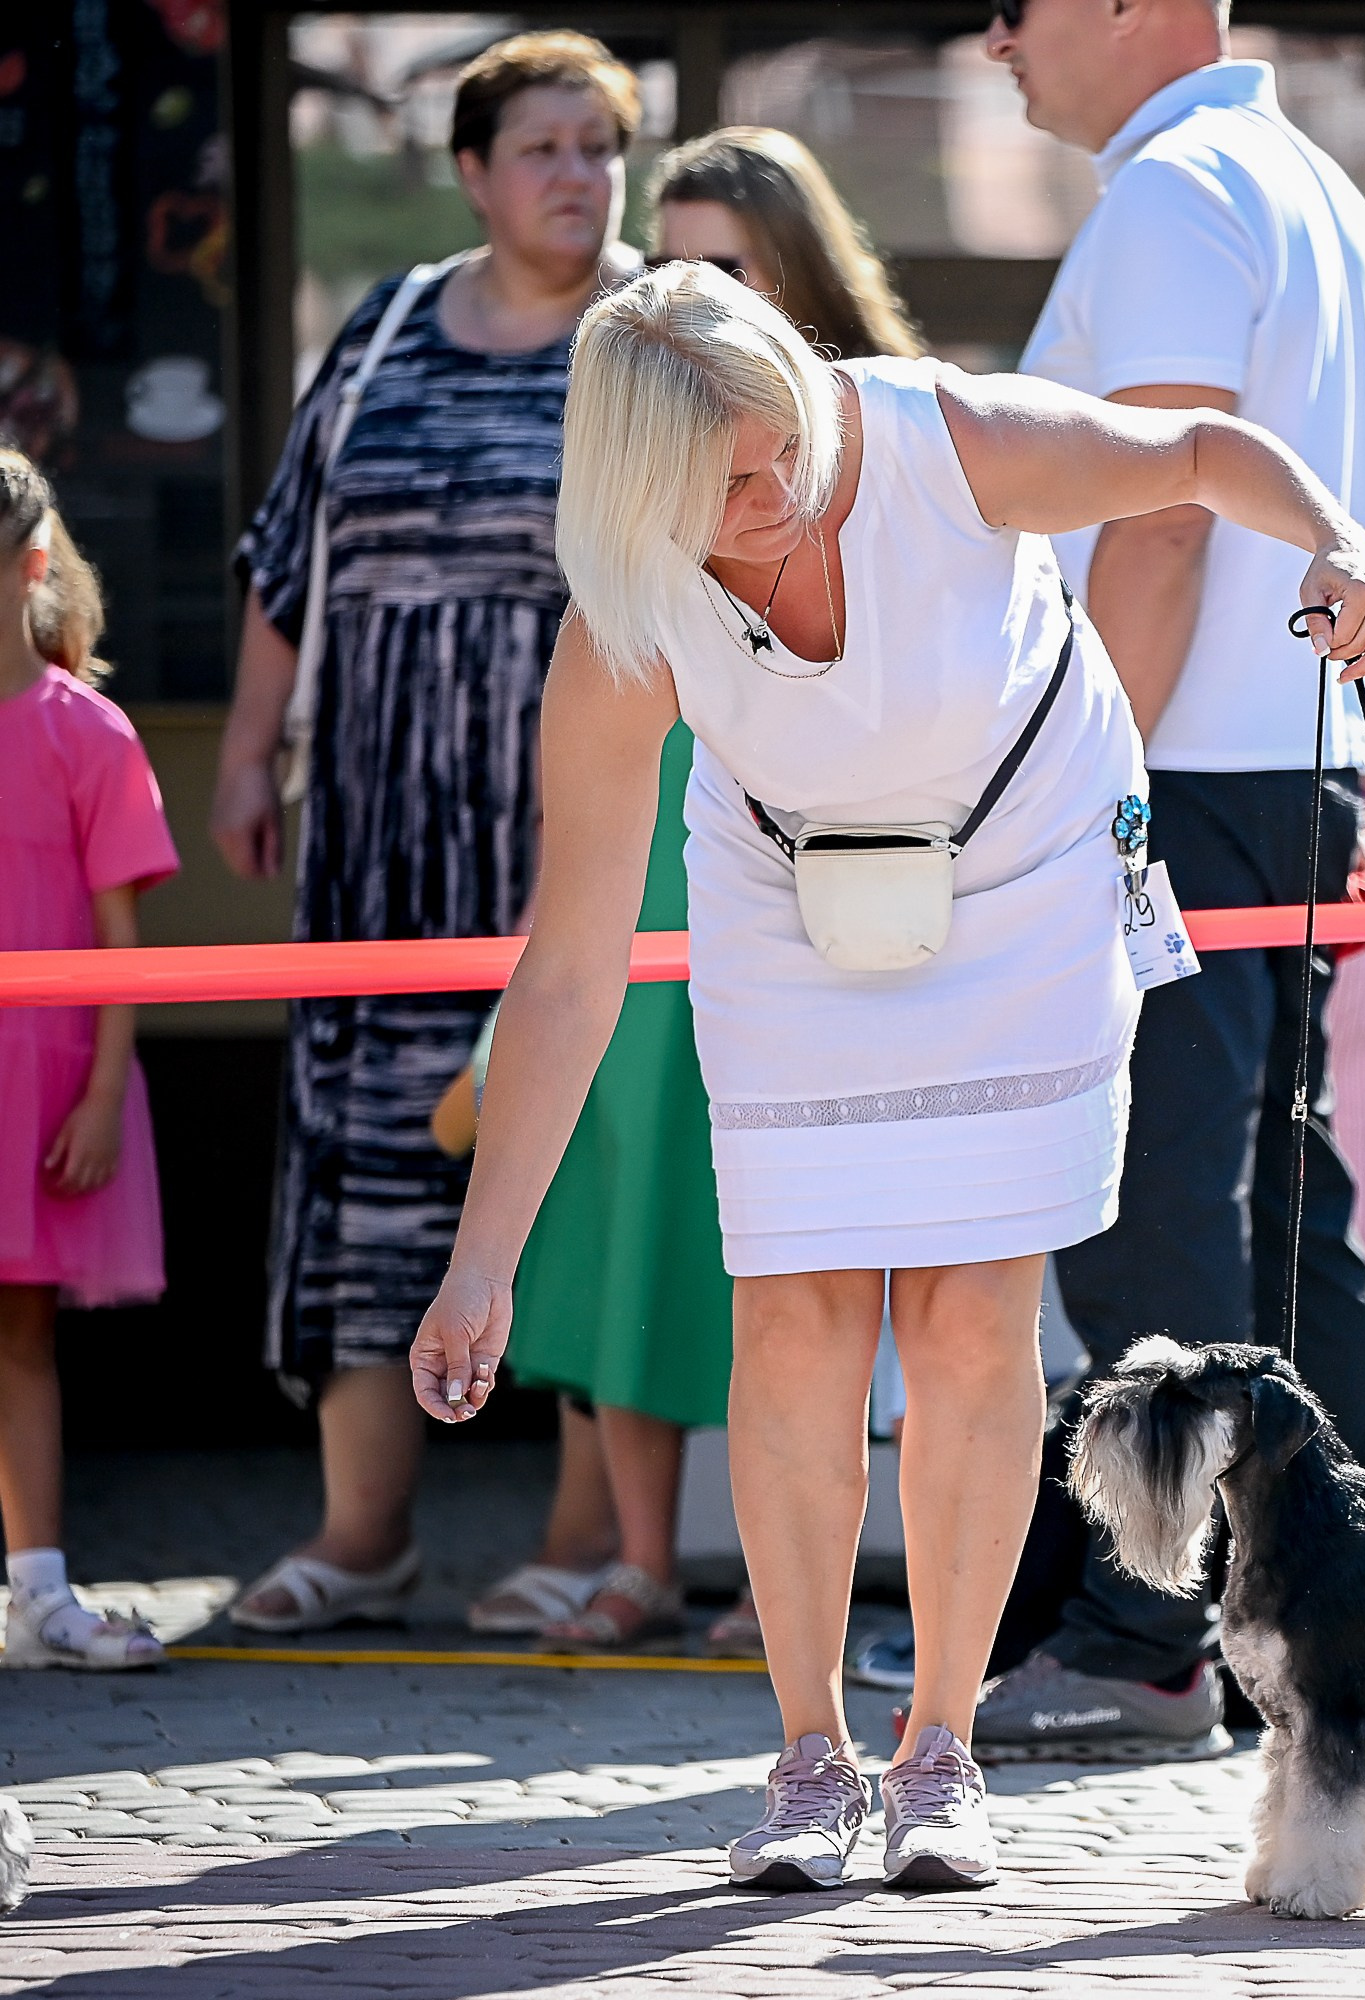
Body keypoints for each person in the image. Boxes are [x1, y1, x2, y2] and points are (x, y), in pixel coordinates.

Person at [404, 260, 1365, 1890]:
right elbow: (573, 963)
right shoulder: (624, 626)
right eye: (727, 484)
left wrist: (1343, 552)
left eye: (783, 441)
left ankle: (942, 1753)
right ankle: (811, 1759)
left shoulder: (947, 438)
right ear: (639, 494)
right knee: (792, 1306)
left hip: (1026, 865)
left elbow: (1205, 454)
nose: (779, 488)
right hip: (786, 895)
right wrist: (481, 1266)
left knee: (967, 1308)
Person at [974, 0, 1365, 1764]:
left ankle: (1152, 1635)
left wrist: (1092, 782)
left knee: (1153, 1210)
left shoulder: (1174, 196)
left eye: (1017, 4)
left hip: (1182, 772)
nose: (992, 39)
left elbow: (1156, 518)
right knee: (1283, 1210)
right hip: (1282, 766)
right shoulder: (1307, 182)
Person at [469, 129, 931, 1653]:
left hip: (848, 857)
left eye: (722, 265)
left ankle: (782, 1574)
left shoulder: (879, 432)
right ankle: (643, 1555)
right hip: (661, 818)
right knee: (639, 1185)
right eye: (662, 264)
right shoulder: (643, 417)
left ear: (791, 273)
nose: (681, 295)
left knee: (833, 1220)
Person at [208, 32, 644, 1634]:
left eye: (601, 147)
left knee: (580, 1152)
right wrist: (252, 750)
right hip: (377, 835)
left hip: (580, 835)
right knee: (369, 1160)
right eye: (543, 147)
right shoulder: (383, 330)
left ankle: (596, 1541)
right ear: (471, 170)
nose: (577, 176)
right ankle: (361, 1532)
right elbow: (285, 553)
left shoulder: (652, 335)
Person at [0, 454, 180, 1670]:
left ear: (30, 568)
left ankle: (38, 1588)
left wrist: (106, 1091)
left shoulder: (87, 732)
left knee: (20, 1335)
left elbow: (122, 937)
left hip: (46, 1081)